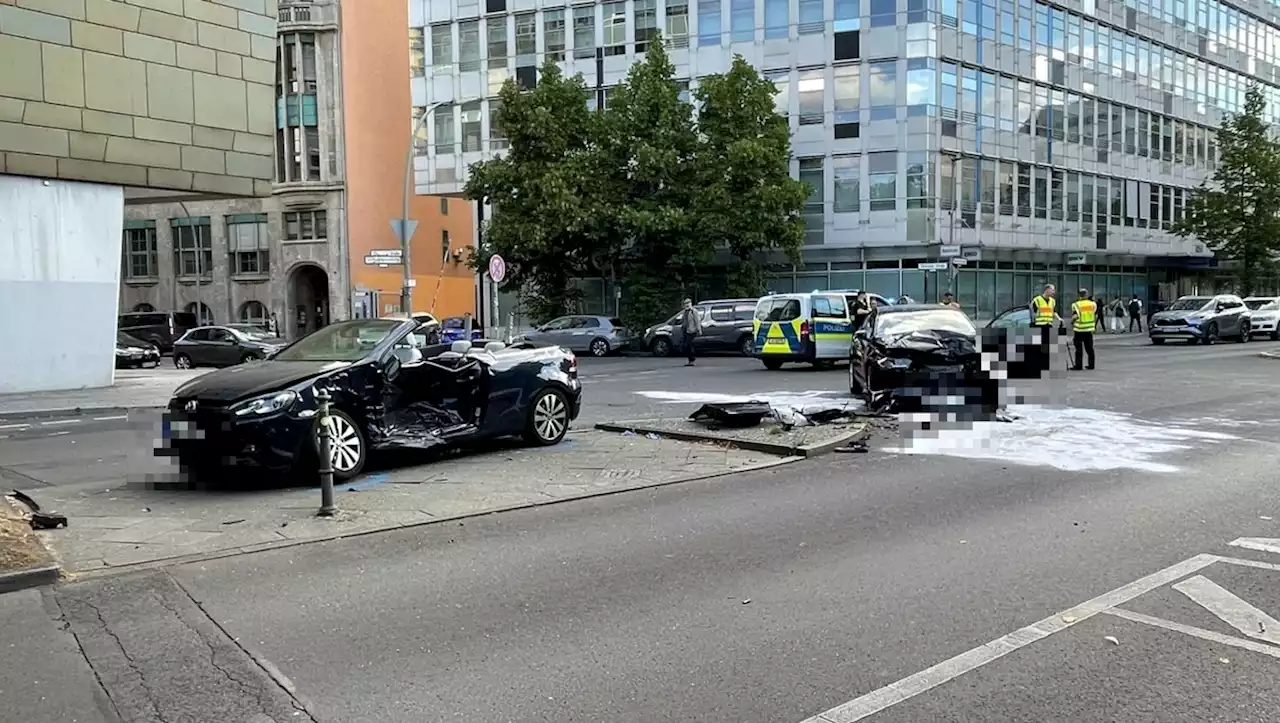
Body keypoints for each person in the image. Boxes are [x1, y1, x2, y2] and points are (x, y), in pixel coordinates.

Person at [1070, 288, 1098, 370]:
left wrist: (1071, 322)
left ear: (1079, 295)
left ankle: (1078, 366)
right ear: (1086, 294)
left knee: (1079, 348)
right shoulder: (1093, 304)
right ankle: (1091, 365)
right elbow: (1094, 313)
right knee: (1089, 347)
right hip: (1089, 329)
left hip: (1079, 329)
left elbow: (1075, 316)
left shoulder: (1076, 305)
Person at [679, 298, 702, 366]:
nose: (687, 304)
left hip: (692, 331)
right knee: (686, 346)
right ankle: (690, 360)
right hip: (685, 330)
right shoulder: (685, 312)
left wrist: (699, 330)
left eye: (688, 303)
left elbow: (697, 321)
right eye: (685, 303)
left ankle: (692, 359)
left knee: (688, 344)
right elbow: (683, 320)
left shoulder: (694, 311)